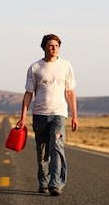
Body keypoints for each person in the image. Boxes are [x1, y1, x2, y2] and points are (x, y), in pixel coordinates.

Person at [17, 33, 78, 196]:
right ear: (44, 47)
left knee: (57, 147)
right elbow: (28, 93)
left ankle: (55, 184)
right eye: (51, 45)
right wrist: (23, 116)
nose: (54, 48)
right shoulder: (35, 67)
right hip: (39, 115)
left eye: (57, 46)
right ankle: (43, 182)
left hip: (59, 114)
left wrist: (74, 115)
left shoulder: (66, 65)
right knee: (42, 151)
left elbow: (70, 92)